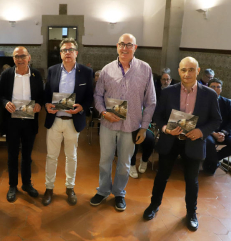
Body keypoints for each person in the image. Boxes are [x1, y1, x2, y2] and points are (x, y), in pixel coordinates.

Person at [143, 57, 221, 231]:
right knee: (161, 176)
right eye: (184, 70)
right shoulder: (168, 92)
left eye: (191, 69)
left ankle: (191, 213)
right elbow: (157, 116)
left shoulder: (208, 94)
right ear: (178, 71)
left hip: (193, 142)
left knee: (192, 180)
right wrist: (165, 128)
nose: (187, 73)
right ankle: (153, 205)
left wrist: (201, 132)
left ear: (198, 71)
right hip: (170, 140)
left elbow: (216, 120)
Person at [90, 33, 156, 211]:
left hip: (131, 126)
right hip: (108, 124)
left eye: (129, 45)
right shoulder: (107, 69)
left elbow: (151, 101)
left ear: (135, 48)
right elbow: (97, 95)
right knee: (105, 159)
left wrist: (144, 128)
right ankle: (103, 190)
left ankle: (119, 193)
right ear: (117, 47)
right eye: (121, 44)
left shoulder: (145, 69)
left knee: (125, 162)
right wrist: (103, 112)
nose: (125, 48)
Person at [43, 38, 94, 206]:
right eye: (64, 50)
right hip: (55, 120)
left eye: (71, 49)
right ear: (60, 54)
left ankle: (70, 187)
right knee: (51, 156)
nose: (68, 53)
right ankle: (49, 188)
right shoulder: (52, 71)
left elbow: (89, 97)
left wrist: (82, 107)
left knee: (71, 156)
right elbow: (46, 94)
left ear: (76, 53)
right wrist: (46, 105)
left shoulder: (86, 72)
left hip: (73, 121)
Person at [0, 46, 44, 202]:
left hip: (30, 122)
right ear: (13, 59)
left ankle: (27, 184)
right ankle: (12, 185)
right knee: (12, 155)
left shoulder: (36, 75)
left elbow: (42, 96)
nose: (20, 59)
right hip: (12, 122)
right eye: (17, 56)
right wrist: (5, 103)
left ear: (29, 57)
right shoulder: (6, 75)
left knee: (27, 156)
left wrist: (39, 105)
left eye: (23, 56)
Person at [203, 78, 231, 174]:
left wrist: (223, 133)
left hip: (225, 131)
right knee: (209, 143)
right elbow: (201, 121)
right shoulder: (202, 102)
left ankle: (212, 160)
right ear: (208, 88)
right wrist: (213, 133)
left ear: (221, 89)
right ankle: (212, 164)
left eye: (218, 87)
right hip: (209, 131)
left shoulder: (227, 102)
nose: (215, 89)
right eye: (212, 86)